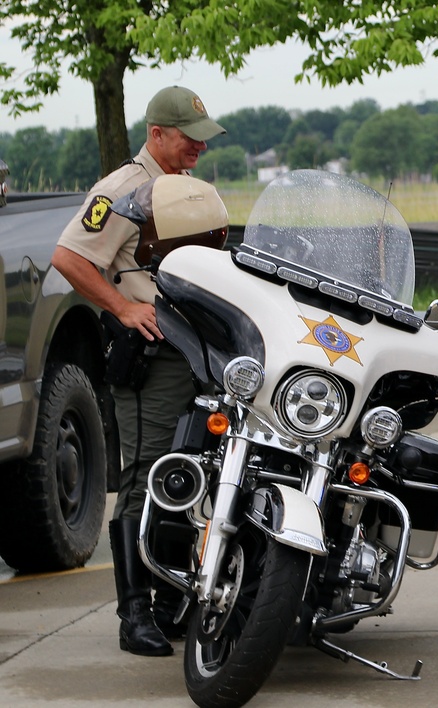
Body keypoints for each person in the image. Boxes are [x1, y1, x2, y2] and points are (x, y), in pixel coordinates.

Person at [51, 86, 226, 656]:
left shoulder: (190, 191)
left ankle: (174, 599)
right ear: (156, 134)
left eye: (202, 138)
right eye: (188, 137)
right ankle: (135, 615)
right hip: (151, 356)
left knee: (189, 471)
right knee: (148, 473)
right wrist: (123, 307)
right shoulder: (124, 190)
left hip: (194, 354)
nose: (198, 147)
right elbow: (70, 257)